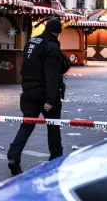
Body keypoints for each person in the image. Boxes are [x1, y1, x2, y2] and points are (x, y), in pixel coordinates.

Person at [7, 19, 70, 176]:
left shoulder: (32, 42)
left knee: (27, 125)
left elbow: (26, 66)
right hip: (44, 93)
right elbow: (52, 74)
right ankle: (56, 159)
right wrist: (50, 99)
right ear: (57, 32)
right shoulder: (52, 46)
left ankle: (13, 157)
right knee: (53, 125)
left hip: (28, 92)